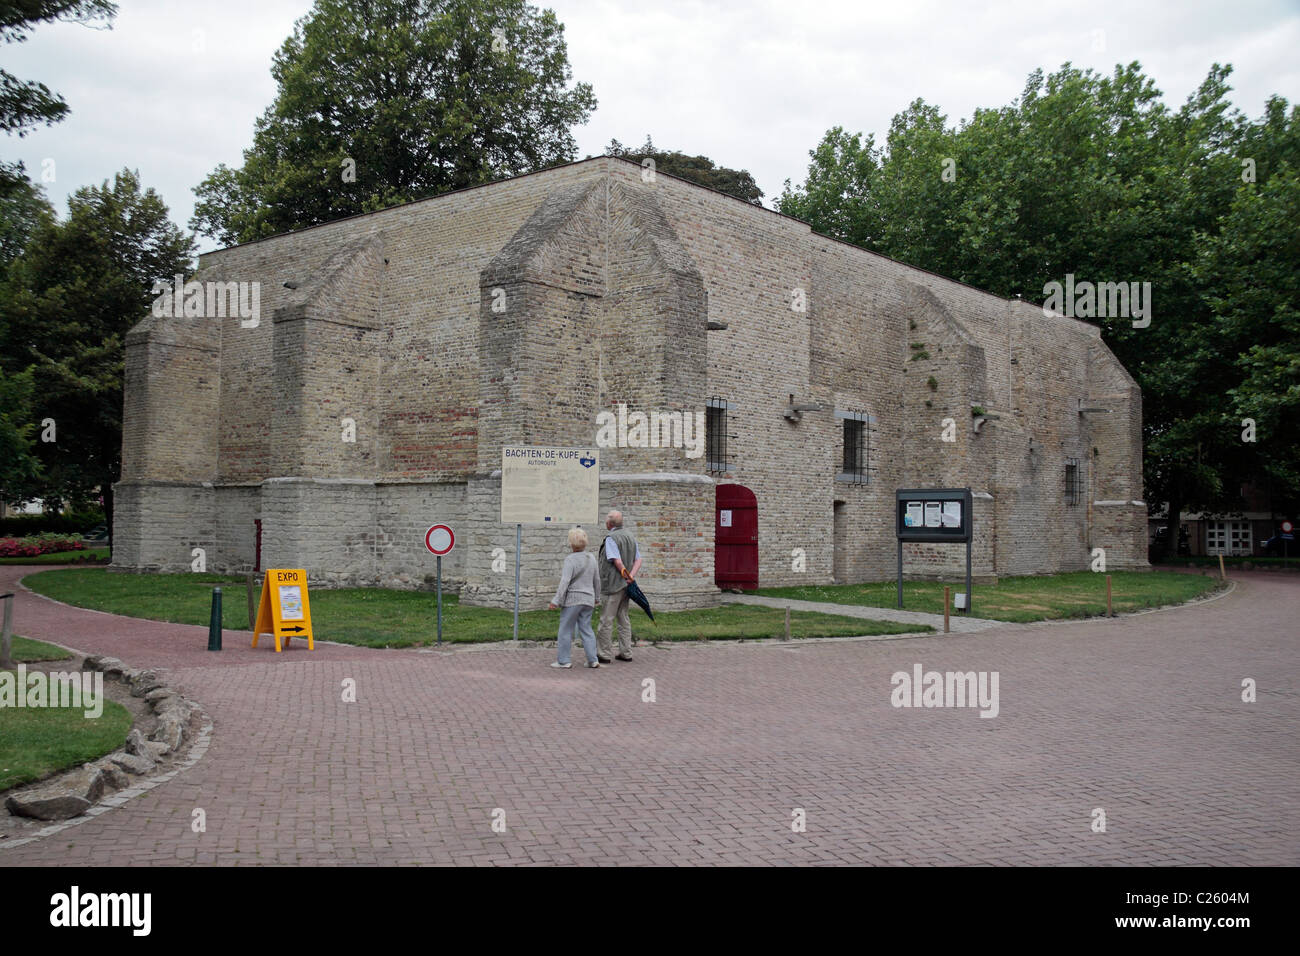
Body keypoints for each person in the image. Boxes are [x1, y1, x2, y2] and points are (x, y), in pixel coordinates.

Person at [548, 527, 601, 669]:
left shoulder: (570, 560)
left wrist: (556, 600)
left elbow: (564, 582)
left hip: (573, 600)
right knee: (587, 629)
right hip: (588, 599)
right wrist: (597, 597)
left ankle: (564, 661)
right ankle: (592, 659)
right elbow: (597, 580)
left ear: (571, 543)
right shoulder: (592, 558)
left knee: (565, 629)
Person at [596, 510, 642, 663]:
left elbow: (617, 561)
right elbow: (638, 560)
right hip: (626, 585)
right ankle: (626, 652)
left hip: (613, 585)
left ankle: (604, 654)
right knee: (623, 618)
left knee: (606, 620)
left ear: (609, 524)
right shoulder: (630, 536)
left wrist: (625, 576)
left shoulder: (611, 538)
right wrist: (631, 577)